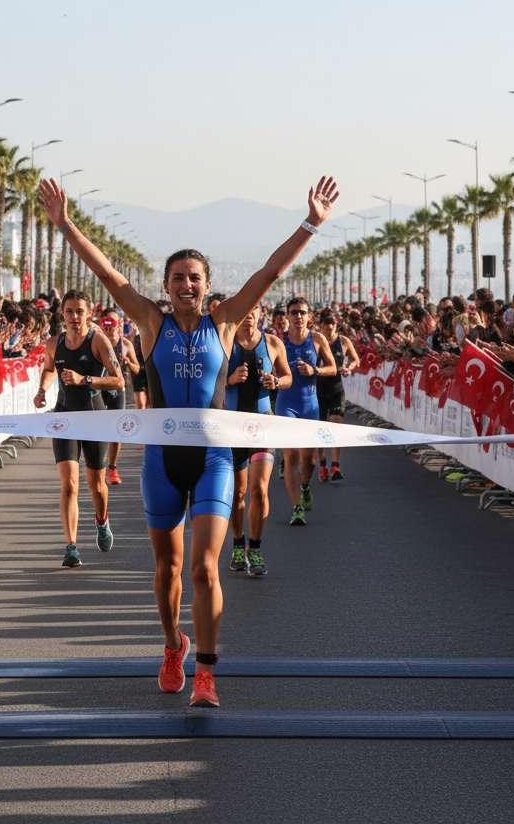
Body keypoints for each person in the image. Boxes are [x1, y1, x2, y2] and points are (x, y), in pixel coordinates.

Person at [38, 173, 339, 708]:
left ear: (206, 282)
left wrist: (309, 225)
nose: (187, 285)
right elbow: (105, 273)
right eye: (178, 277)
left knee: (204, 567)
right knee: (168, 569)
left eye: (195, 277)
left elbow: (269, 273)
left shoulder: (223, 323)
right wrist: (65, 225)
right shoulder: (150, 323)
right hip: (161, 462)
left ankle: (206, 668)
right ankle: (172, 643)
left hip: (214, 459)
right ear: (166, 283)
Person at [34, 291, 123, 566]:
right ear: (62, 314)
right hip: (64, 417)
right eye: (70, 311)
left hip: (94, 418)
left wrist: (84, 379)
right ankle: (71, 546)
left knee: (96, 486)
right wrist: (42, 390)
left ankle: (101, 520)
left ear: (89, 313)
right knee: (69, 484)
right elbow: (49, 369)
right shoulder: (53, 343)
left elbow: (118, 381)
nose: (74, 317)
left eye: (80, 312)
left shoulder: (97, 341)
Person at [225, 307, 291, 577]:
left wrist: (276, 381)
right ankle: (238, 543)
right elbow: (208, 382)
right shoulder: (225, 343)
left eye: (254, 310)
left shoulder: (273, 343)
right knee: (238, 493)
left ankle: (255, 547)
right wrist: (229, 380)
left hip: (263, 423)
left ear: (260, 313)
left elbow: (288, 377)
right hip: (232, 426)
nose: (248, 314)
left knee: (260, 489)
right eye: (245, 310)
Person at [275, 296, 337, 527]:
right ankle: (296, 507)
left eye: (302, 312)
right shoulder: (278, 342)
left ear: (309, 316)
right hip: (286, 404)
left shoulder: (317, 339)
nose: (298, 316)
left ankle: (304, 486)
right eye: (294, 312)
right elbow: (270, 367)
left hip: (310, 405)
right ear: (288, 316)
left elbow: (333, 368)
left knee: (309, 459)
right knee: (290, 455)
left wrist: (315, 369)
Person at [314, 310, 360, 482]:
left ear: (336, 326)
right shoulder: (316, 341)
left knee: (336, 426)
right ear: (322, 327)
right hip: (318, 389)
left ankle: (335, 465)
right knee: (319, 429)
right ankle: (323, 465)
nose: (329, 329)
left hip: (336, 388)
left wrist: (350, 367)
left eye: (332, 325)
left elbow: (356, 359)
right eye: (326, 326)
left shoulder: (344, 341)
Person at [98, 312, 141, 486]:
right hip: (99, 389)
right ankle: (98, 466)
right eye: (105, 323)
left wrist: (128, 363)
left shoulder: (125, 345)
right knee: (98, 430)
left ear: (119, 324)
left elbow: (137, 369)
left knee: (117, 430)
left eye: (112, 323)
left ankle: (112, 467)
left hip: (118, 390)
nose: (109, 327)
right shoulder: (96, 341)